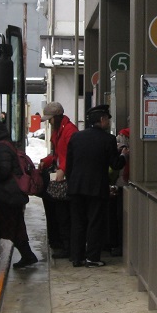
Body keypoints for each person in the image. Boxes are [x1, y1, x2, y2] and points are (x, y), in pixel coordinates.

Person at [66, 104, 127, 267]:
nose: (108, 122)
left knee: (78, 222)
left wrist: (71, 182)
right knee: (95, 222)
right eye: (107, 119)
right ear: (102, 120)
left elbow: (69, 165)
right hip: (96, 188)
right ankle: (92, 257)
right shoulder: (108, 139)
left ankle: (76, 257)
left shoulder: (76, 137)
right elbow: (115, 165)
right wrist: (123, 155)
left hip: (76, 187)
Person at [0, 118, 39, 269]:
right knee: (15, 227)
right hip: (12, 194)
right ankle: (28, 255)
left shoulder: (2, 148)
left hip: (7, 194)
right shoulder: (6, 145)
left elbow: (3, 170)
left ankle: (27, 255)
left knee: (7, 225)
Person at [39, 101, 76, 259]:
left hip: (66, 177)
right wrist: (46, 161)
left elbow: (71, 153)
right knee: (56, 209)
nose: (49, 122)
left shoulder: (69, 131)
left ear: (57, 117)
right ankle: (59, 242)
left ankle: (66, 246)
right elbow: (57, 155)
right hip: (60, 175)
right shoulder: (59, 131)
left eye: (50, 119)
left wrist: (63, 169)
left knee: (63, 213)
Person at [107, 127, 130, 256]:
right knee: (118, 216)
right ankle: (117, 244)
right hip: (121, 184)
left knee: (118, 217)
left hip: (122, 183)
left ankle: (117, 245)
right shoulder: (123, 137)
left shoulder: (123, 137)